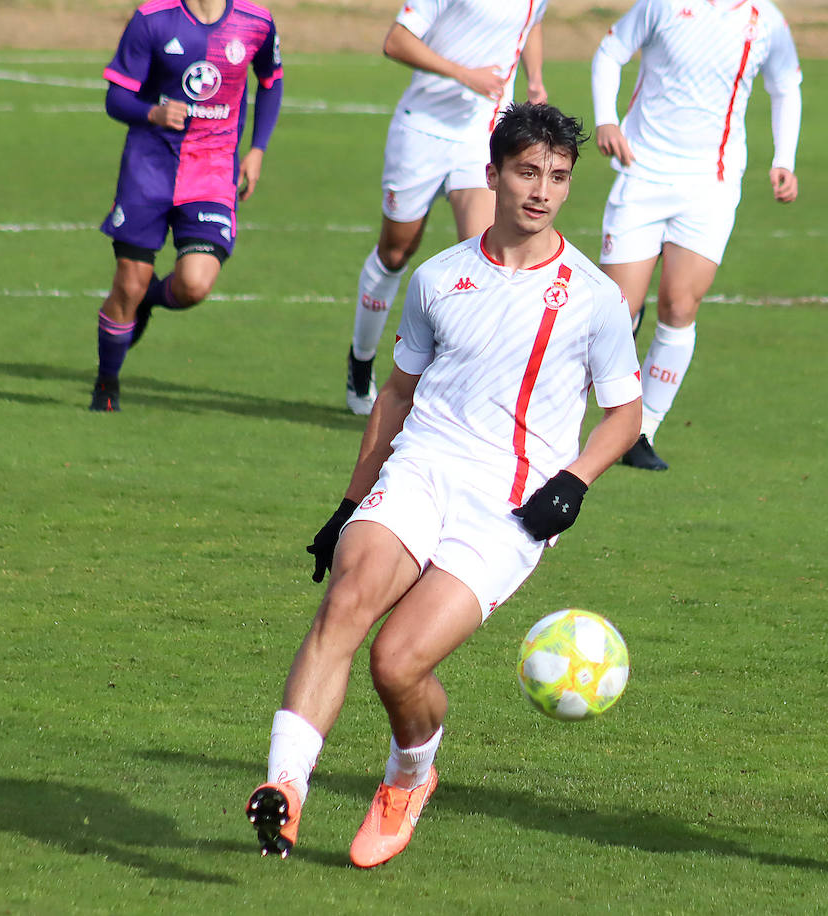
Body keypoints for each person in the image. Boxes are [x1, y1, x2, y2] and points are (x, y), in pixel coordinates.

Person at [246, 103, 642, 868]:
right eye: (528, 172)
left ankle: (409, 778)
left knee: (397, 662)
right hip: (422, 469)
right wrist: (350, 503)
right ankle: (285, 791)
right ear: (492, 173)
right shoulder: (438, 279)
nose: (542, 192)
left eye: (558, 177)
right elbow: (396, 395)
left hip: (511, 508)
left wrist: (577, 479)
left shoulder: (593, 298)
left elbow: (626, 414)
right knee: (347, 599)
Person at [590, 0, 802, 470]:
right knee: (615, 311)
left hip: (712, 184)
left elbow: (786, 85)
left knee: (680, 306)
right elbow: (609, 51)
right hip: (641, 172)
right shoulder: (662, 4)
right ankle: (575, 418)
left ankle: (641, 431)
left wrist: (783, 158)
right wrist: (606, 118)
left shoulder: (765, 19)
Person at [345, 0, 549, 415]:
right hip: (421, 130)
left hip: (481, 134)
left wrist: (536, 80)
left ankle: (454, 387)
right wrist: (464, 74)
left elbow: (533, 21)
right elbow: (396, 41)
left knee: (486, 255)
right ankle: (361, 360)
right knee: (395, 252)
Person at [90, 0, 283, 412]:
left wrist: (258, 150)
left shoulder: (256, 21)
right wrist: (153, 112)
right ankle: (106, 384)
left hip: (212, 172)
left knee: (194, 284)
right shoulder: (153, 19)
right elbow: (116, 98)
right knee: (128, 283)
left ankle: (147, 302)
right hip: (150, 168)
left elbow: (270, 80)